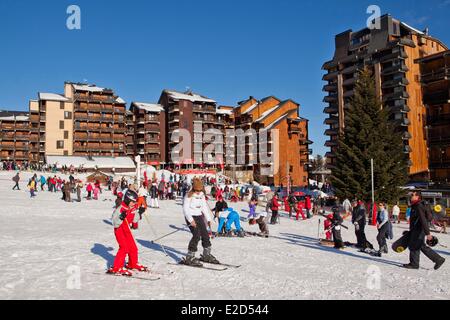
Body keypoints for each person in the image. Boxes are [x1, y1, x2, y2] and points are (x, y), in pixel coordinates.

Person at [403, 191, 445, 270]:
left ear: (417, 197)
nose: (411, 196)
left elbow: (423, 220)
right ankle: (438, 259)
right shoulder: (416, 205)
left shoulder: (418, 206)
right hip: (417, 229)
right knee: (420, 245)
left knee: (414, 246)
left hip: (419, 229)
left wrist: (428, 233)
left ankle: (414, 264)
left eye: (413, 195)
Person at [108, 190, 147, 276]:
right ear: (127, 200)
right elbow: (114, 223)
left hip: (127, 230)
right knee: (124, 248)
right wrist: (121, 217)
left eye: (135, 202)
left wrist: (139, 213)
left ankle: (132, 264)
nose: (134, 203)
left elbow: (134, 219)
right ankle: (117, 268)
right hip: (119, 230)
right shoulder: (120, 209)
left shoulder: (132, 208)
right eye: (133, 202)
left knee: (133, 247)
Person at [182, 178, 219, 266]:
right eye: (196, 190)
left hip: (199, 216)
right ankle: (190, 257)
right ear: (193, 188)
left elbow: (204, 208)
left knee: (205, 235)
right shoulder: (188, 195)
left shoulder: (202, 195)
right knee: (196, 235)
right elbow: (185, 209)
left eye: (200, 190)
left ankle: (206, 254)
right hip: (190, 217)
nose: (198, 192)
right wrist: (191, 220)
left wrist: (209, 219)